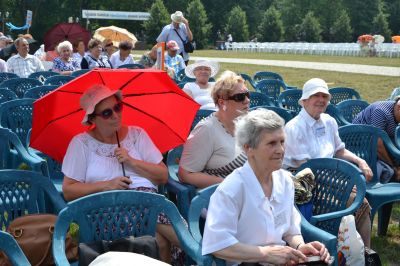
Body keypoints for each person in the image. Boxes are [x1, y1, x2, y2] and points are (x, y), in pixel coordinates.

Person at [62, 84, 182, 264]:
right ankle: (198, 249)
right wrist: (107, 185)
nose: (116, 115)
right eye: (107, 113)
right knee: (164, 239)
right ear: (93, 118)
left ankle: (196, 248)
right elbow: (69, 191)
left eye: (118, 107)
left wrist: (131, 161)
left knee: (161, 239)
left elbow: (162, 176)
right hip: (104, 209)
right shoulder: (81, 144)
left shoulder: (137, 135)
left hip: (148, 201)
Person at [202, 109, 331, 266]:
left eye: (282, 142)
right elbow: (217, 244)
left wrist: (300, 246)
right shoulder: (232, 189)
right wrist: (265, 254)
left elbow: (290, 229)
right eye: (271, 143)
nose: (280, 150)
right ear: (248, 148)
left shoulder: (285, 180)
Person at [283, 78, 373, 248]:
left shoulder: (329, 121)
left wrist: (361, 161)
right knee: (360, 201)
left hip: (329, 177)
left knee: (360, 201)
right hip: (305, 183)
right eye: (315, 95)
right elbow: (308, 167)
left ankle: (364, 251)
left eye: (324, 95)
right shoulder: (294, 127)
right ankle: (361, 251)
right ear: (304, 101)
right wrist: (342, 182)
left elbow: (339, 150)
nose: (321, 100)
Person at [178, 71, 249, 189]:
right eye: (240, 97)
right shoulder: (206, 129)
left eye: (247, 95)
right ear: (222, 102)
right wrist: (228, 183)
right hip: (218, 196)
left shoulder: (246, 124)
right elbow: (185, 174)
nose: (247, 100)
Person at [353, 98, 400, 182]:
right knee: (390, 169)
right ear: (399, 108)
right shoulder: (381, 111)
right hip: (359, 141)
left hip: (384, 138)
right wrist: (394, 167)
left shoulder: (395, 111)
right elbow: (377, 145)